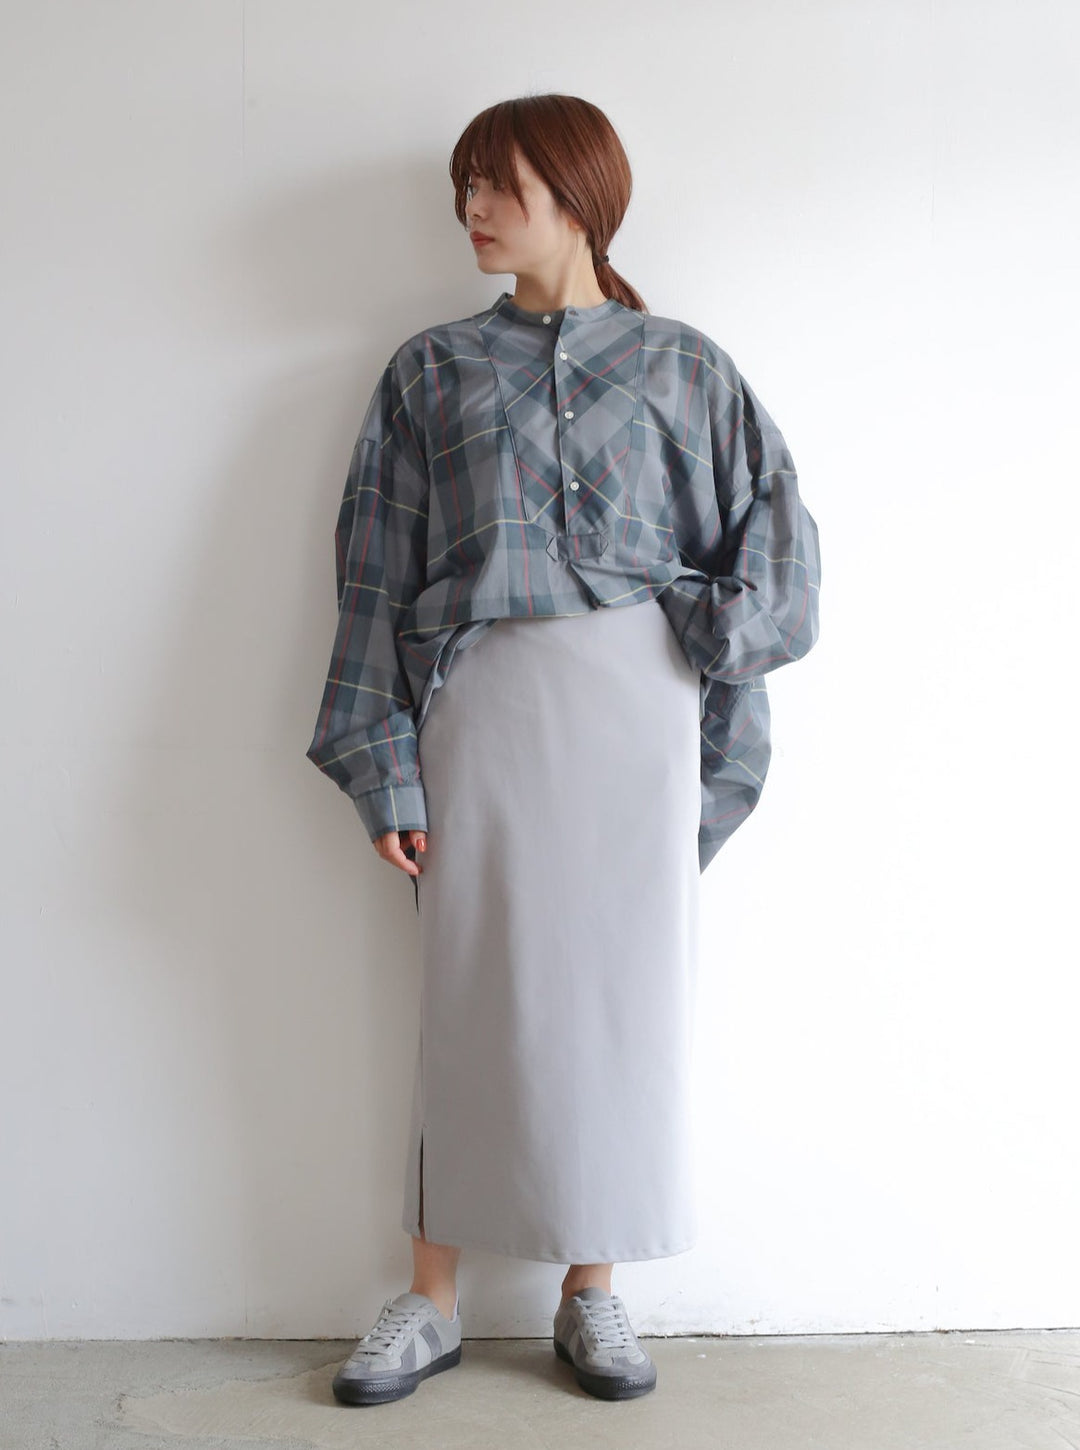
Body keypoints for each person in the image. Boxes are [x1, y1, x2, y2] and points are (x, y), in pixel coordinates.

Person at [305, 93, 821, 1407]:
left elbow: (774, 541)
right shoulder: (430, 371)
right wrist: (381, 759)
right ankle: (430, 1300)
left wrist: (694, 618)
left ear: (580, 196)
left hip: (639, 718)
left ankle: (594, 1289)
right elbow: (372, 578)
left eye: (499, 184)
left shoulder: (684, 367)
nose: (472, 208)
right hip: (483, 711)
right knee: (467, 992)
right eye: (465, 185)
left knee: (624, 1000)